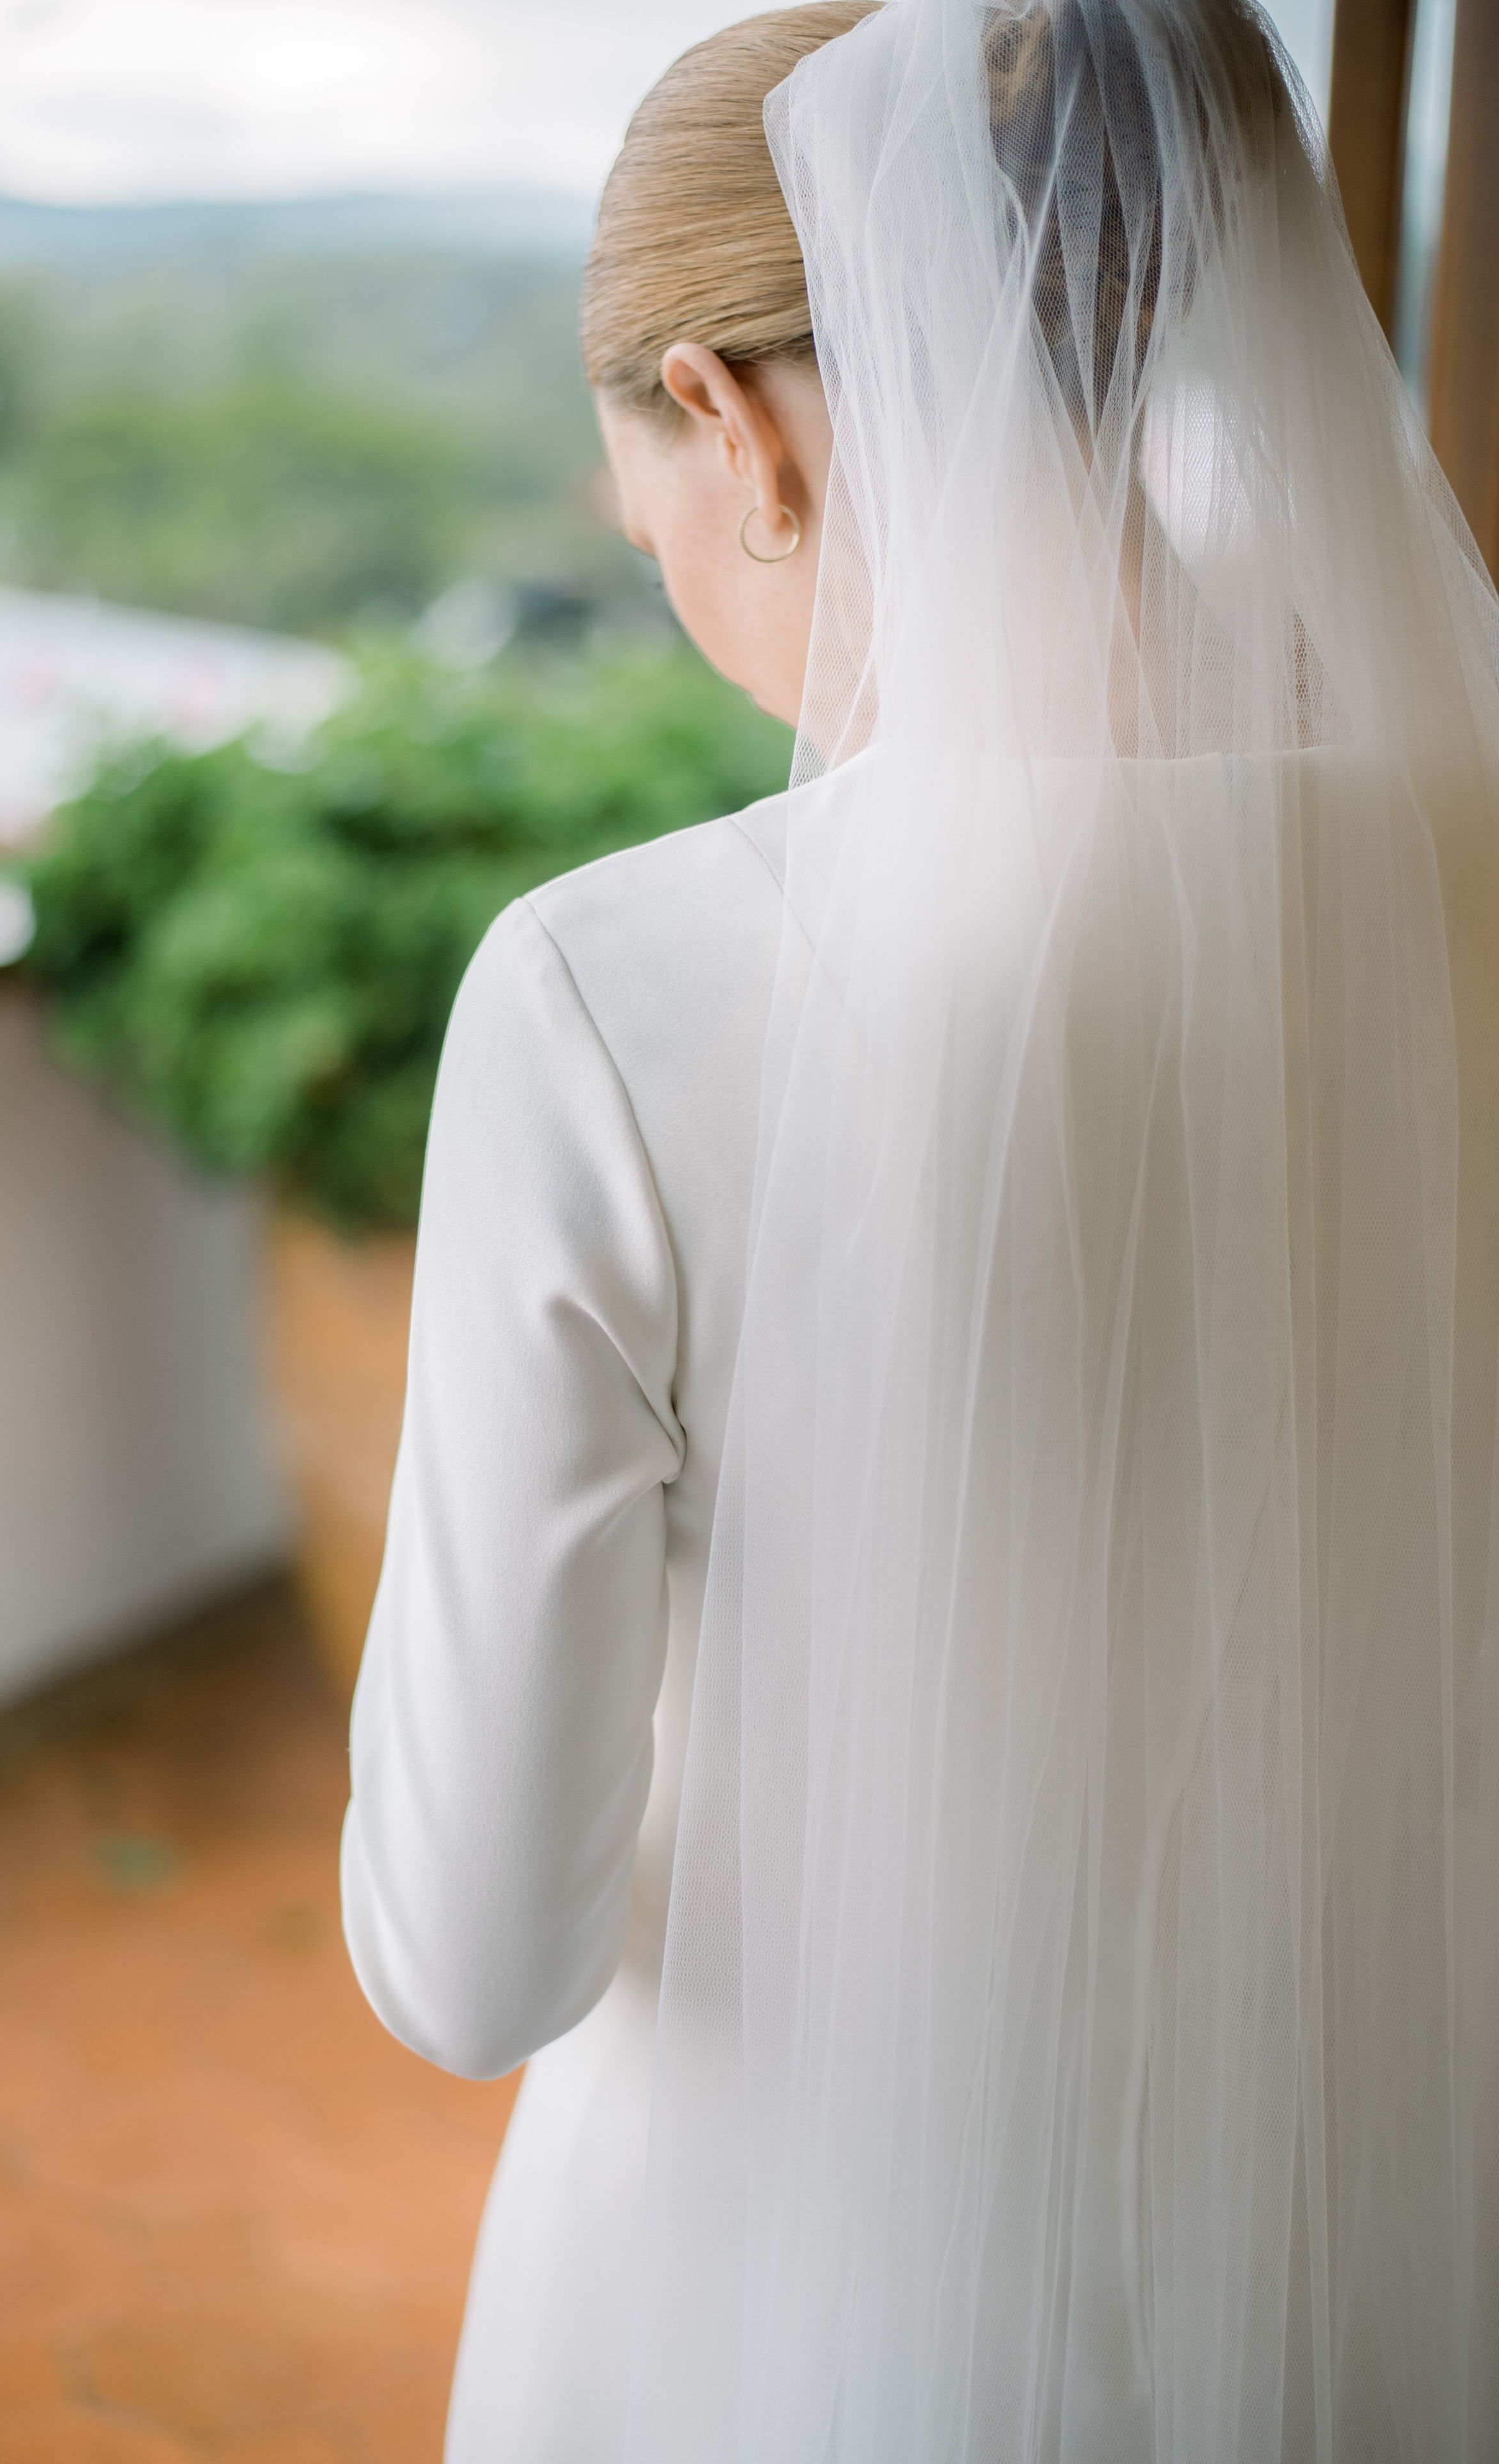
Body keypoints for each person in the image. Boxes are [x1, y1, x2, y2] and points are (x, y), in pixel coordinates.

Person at [344, 1, 1499, 2457]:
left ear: (730, 423)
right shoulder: (1466, 889)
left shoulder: (606, 994)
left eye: (649, 511)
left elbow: (469, 1958)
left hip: (782, 2313)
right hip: (1383, 2261)